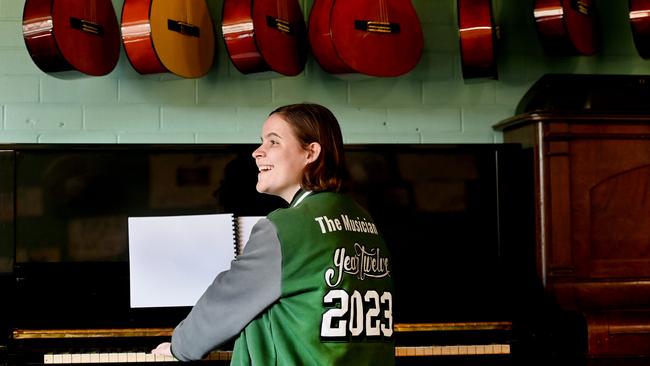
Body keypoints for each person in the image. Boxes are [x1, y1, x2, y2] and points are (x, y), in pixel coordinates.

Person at [152, 103, 395, 365]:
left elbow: (226, 300)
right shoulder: (362, 219)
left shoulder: (287, 227)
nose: (257, 152)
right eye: (261, 142)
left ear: (310, 152)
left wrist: (181, 346)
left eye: (273, 142)